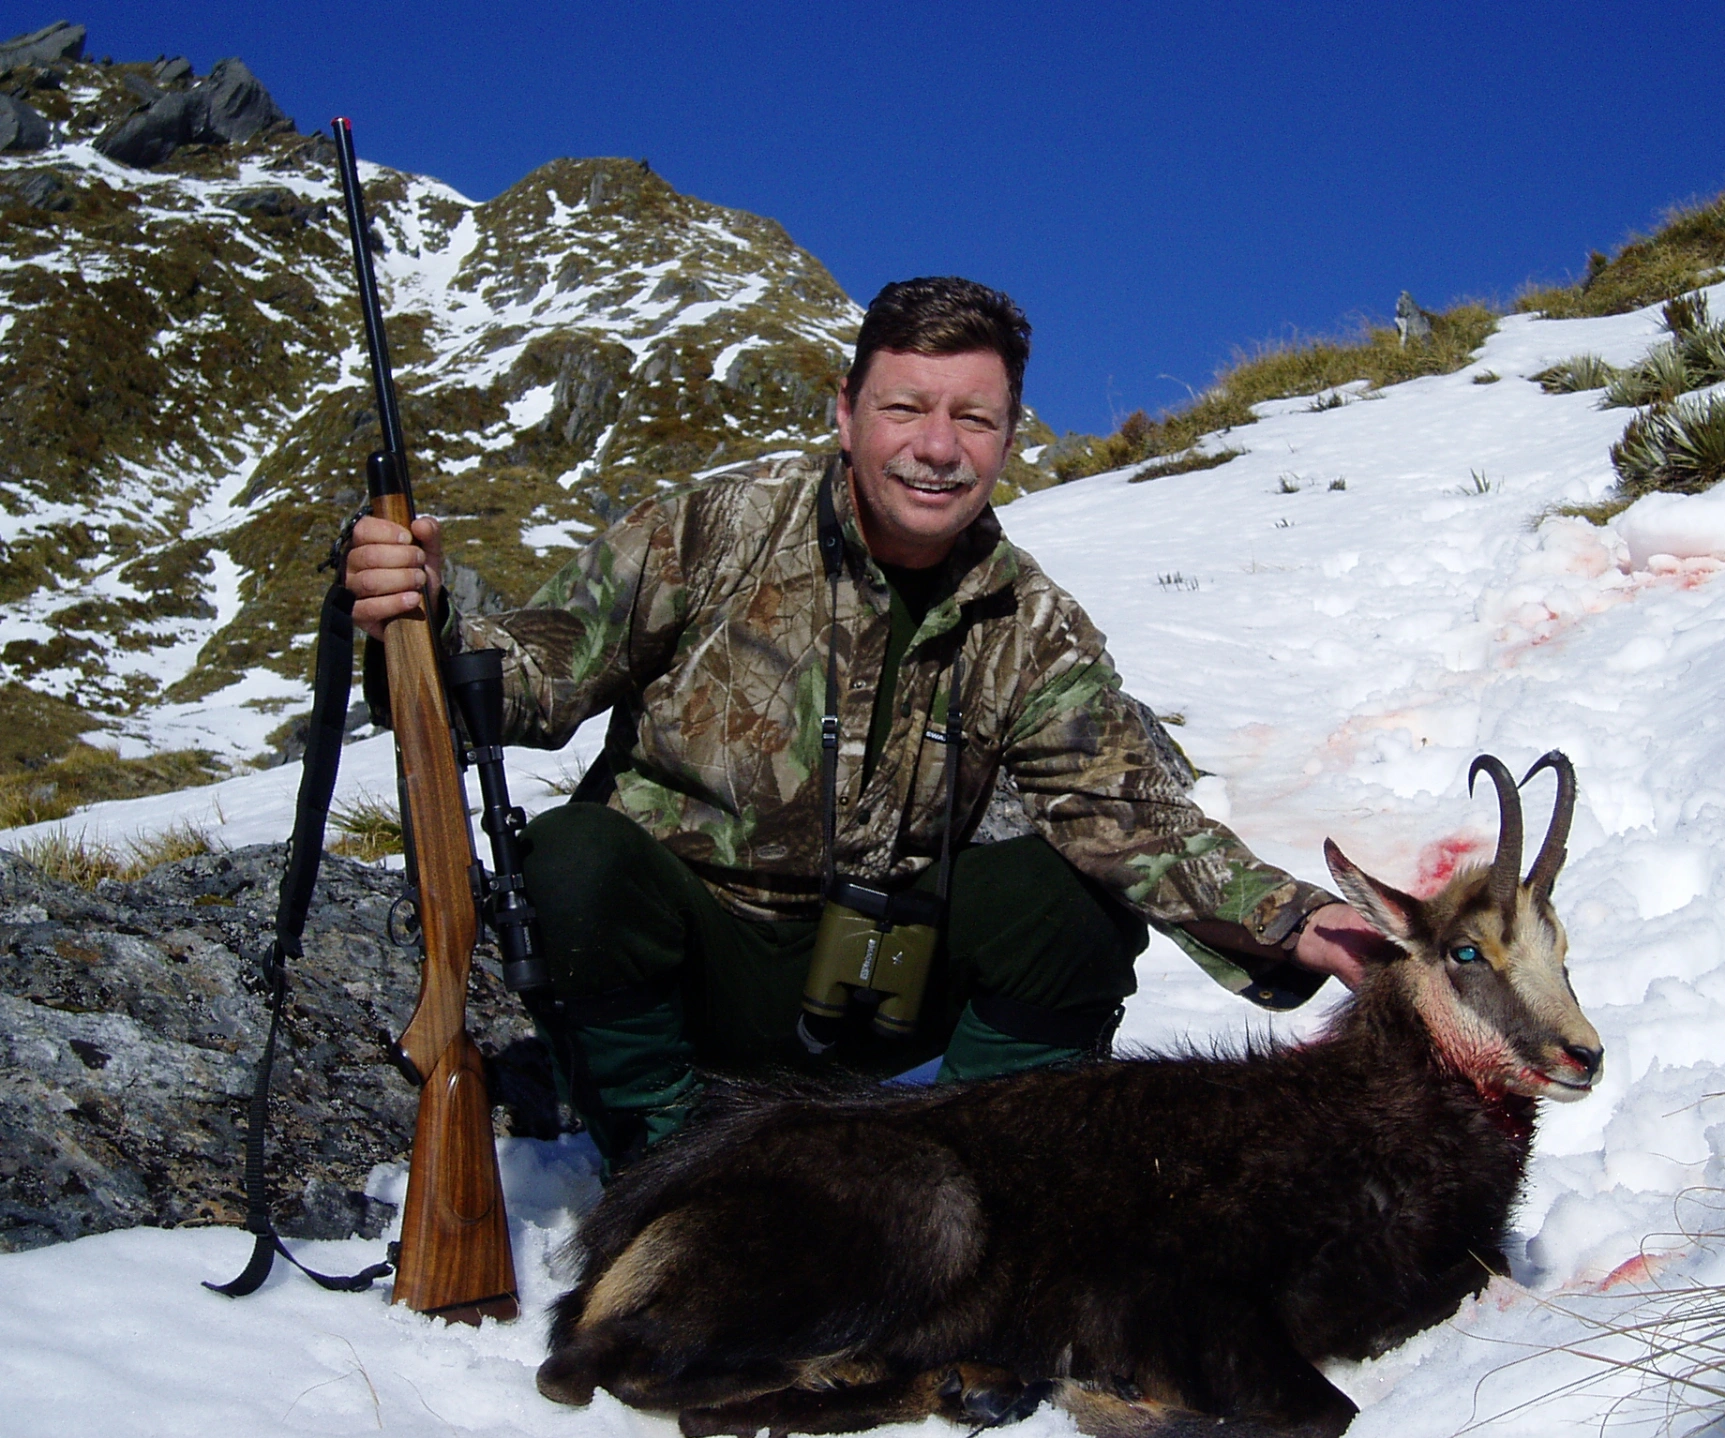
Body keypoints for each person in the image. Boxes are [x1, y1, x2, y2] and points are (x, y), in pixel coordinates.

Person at [345, 276, 1383, 1167]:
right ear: (846, 413)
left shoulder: (1034, 624)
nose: (937, 448)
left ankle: (972, 1175)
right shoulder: (714, 529)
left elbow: (1129, 813)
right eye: (906, 409)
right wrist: (424, 616)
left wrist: (1294, 920)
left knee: (1068, 902)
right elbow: (530, 677)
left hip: (878, 982)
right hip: (697, 974)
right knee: (570, 858)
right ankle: (668, 1170)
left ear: (1011, 437)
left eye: (973, 418)